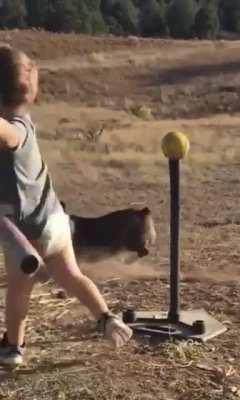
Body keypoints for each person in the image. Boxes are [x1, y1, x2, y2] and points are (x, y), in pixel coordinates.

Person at [0, 45, 133, 366]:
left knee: (19, 290)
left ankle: (13, 347)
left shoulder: (18, 128)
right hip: (55, 221)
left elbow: (6, 136)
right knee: (73, 277)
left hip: (27, 233)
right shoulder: (25, 122)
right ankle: (106, 318)